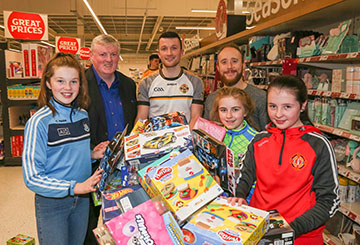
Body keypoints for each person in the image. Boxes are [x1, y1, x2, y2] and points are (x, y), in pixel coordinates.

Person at [227, 75, 339, 244]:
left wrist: (293, 229)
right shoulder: (259, 140)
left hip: (301, 236)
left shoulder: (318, 144)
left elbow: (329, 201)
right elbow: (246, 175)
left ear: (303, 105)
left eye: (287, 107)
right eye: (272, 106)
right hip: (259, 230)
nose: (278, 114)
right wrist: (240, 195)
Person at [22, 52, 107, 245]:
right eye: (60, 81)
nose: (67, 88)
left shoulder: (82, 116)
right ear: (48, 83)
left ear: (81, 84)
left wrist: (93, 154)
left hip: (82, 200)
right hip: (53, 203)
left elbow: (69, 153)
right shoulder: (39, 122)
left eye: (74, 81)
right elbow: (32, 177)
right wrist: (74, 187)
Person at [85, 34, 137, 244]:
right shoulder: (80, 83)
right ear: (91, 56)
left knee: (122, 217)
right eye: (103, 54)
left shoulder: (128, 84)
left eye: (113, 54)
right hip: (90, 164)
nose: (108, 59)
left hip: (123, 165)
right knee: (88, 221)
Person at [136, 31, 204, 128]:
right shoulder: (146, 83)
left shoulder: (195, 82)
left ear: (182, 52)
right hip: (154, 141)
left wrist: (187, 141)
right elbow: (142, 118)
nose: (169, 53)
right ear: (159, 54)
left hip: (185, 141)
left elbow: (196, 118)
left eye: (174, 48)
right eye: (164, 49)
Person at [204, 44, 269, 130]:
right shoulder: (211, 99)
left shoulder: (261, 98)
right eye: (224, 62)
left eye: (234, 61)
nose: (229, 66)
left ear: (243, 65)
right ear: (218, 67)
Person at [210, 87, 258, 201]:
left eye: (235, 109)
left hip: (246, 198)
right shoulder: (216, 133)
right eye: (223, 110)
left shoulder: (255, 139)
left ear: (245, 111)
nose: (229, 116)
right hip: (220, 193)